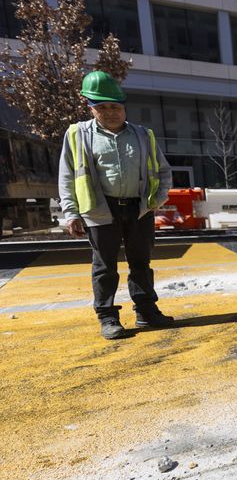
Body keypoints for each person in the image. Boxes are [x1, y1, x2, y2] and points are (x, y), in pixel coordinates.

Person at [57, 71, 173, 340]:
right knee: (104, 266)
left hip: (138, 208)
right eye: (102, 107)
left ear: (123, 107)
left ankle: (146, 311)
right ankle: (108, 317)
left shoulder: (143, 135)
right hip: (100, 208)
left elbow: (163, 171)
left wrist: (157, 199)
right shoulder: (78, 134)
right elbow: (67, 175)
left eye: (115, 106)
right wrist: (71, 212)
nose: (110, 112)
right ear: (90, 107)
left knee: (141, 263)